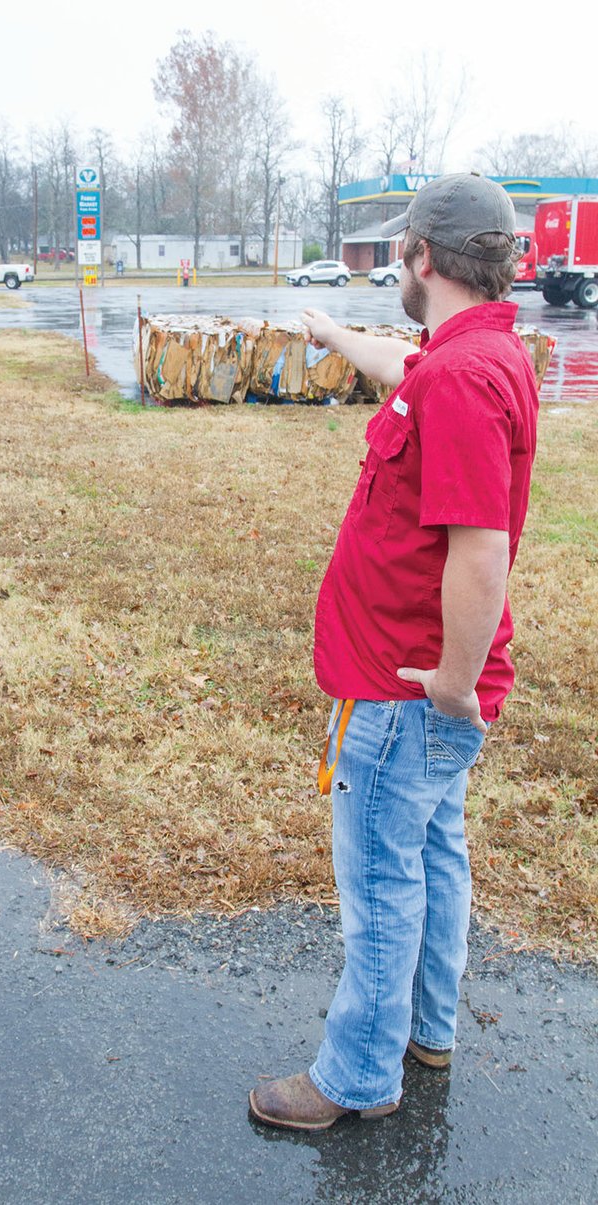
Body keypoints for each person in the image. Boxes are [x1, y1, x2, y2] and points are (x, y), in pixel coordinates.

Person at [249, 172, 539, 1132]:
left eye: (403, 254)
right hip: (423, 693)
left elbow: (479, 547)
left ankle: (356, 1078)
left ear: (420, 258)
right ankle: (427, 1027)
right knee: (433, 856)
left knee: (381, 883)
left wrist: (451, 682)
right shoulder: (476, 353)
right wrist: (332, 336)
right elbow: (403, 367)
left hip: (406, 694)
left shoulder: (460, 378)